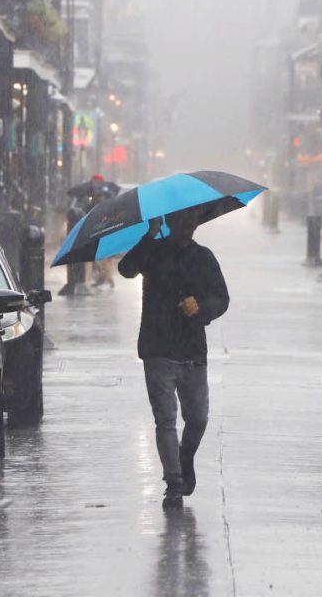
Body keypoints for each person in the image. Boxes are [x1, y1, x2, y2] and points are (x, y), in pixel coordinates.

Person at [118, 207, 229, 508]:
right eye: (181, 221)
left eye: (192, 221)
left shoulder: (204, 258)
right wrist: (149, 235)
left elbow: (222, 298)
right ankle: (174, 482)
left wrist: (201, 307)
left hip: (192, 350)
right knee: (165, 419)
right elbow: (126, 269)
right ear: (169, 222)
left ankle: (184, 457)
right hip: (158, 349)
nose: (187, 226)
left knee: (198, 418)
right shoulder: (152, 252)